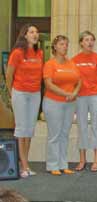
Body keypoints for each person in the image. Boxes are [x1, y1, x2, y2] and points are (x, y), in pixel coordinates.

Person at [6, 24, 43, 178]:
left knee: (29, 130)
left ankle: (24, 163)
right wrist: (11, 93)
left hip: (35, 94)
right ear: (25, 35)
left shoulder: (39, 53)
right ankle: (24, 167)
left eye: (37, 32)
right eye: (32, 32)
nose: (35, 34)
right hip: (20, 93)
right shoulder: (17, 53)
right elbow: (9, 75)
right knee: (21, 129)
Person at [43, 35, 81, 175]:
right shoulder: (50, 64)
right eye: (61, 44)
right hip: (53, 102)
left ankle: (63, 164)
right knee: (55, 135)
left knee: (65, 134)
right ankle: (53, 165)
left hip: (70, 103)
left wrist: (75, 92)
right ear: (54, 47)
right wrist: (66, 93)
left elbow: (79, 81)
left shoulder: (71, 64)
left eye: (66, 44)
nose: (64, 47)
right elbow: (48, 84)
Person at [72, 31, 97, 172]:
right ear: (81, 42)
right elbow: (73, 80)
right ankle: (82, 160)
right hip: (80, 97)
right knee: (82, 127)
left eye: (92, 40)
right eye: (87, 40)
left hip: (95, 95)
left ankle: (96, 160)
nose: (90, 42)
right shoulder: (74, 60)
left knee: (96, 126)